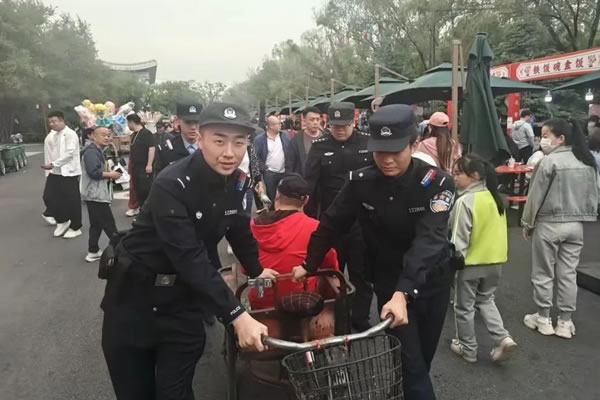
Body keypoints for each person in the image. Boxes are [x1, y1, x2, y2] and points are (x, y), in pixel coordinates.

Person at [100, 102, 279, 400]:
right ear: (201, 138)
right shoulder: (172, 183)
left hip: (182, 304)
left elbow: (239, 231)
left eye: (239, 142)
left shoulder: (239, 183)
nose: (229, 152)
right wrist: (237, 315)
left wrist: (257, 270)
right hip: (133, 302)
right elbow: (188, 256)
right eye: (219, 141)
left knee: (176, 392)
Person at [293, 104, 455, 400]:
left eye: (396, 151)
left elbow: (430, 240)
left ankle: (400, 392)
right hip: (389, 279)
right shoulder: (361, 182)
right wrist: (309, 263)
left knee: (421, 359)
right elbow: (331, 223)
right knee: (411, 362)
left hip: (432, 280)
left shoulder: (437, 183)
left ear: (413, 145)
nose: (387, 160)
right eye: (380, 152)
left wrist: (404, 292)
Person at [522, 119, 598, 339]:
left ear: (561, 138)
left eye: (546, 135)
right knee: (568, 274)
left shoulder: (548, 162)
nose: (542, 140)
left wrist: (527, 223)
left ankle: (543, 318)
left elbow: (535, 196)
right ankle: (565, 321)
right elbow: (594, 194)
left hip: (549, 224)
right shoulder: (586, 161)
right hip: (576, 225)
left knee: (543, 272)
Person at [303, 102, 374, 331]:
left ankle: (360, 318)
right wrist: (309, 221)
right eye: (335, 126)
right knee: (332, 274)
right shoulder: (320, 147)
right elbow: (311, 185)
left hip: (362, 222)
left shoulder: (367, 143)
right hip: (332, 221)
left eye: (344, 125)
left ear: (354, 122)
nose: (339, 130)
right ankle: (336, 318)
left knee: (361, 273)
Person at [449, 153, 517, 364]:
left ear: (475, 175)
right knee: (486, 299)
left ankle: (467, 348)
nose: (454, 177)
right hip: (495, 261)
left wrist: (452, 264)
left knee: (464, 307)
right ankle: (502, 338)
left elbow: (458, 239)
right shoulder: (495, 199)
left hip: (470, 264)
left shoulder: (465, 201)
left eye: (458, 173)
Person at [248, 174, 339, 310]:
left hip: (261, 300)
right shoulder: (314, 228)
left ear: (277, 195)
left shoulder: (253, 226)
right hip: (301, 301)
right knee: (328, 277)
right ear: (306, 200)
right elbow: (330, 265)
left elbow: (246, 267)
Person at [80, 127, 122, 262]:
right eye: (103, 135)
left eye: (108, 135)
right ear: (93, 136)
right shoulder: (91, 152)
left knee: (96, 224)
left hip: (94, 193)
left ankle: (93, 250)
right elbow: (93, 172)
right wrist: (111, 174)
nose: (107, 137)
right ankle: (121, 251)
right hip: (95, 194)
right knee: (109, 225)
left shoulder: (97, 151)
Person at [41, 111, 83, 239]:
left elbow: (69, 154)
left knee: (72, 200)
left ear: (62, 120)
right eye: (50, 122)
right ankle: (62, 220)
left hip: (69, 172)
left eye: (54, 121)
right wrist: (50, 167)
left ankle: (76, 227)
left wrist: (53, 164)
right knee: (49, 197)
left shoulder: (71, 134)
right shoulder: (53, 135)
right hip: (55, 172)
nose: (52, 124)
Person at [154, 101, 203, 175]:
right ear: (177, 121)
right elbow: (159, 178)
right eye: (188, 122)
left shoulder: (208, 149)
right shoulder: (166, 150)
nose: (193, 127)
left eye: (196, 122)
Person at [253, 115, 292, 203]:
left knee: (284, 196)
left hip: (284, 171)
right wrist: (265, 169)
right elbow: (255, 157)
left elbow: (290, 150)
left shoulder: (284, 136)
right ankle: (273, 210)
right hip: (270, 173)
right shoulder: (260, 140)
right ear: (271, 126)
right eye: (278, 124)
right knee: (272, 197)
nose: (280, 125)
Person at [126, 114, 155, 208]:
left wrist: (149, 164)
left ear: (131, 122)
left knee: (145, 190)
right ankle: (141, 209)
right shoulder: (134, 134)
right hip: (135, 167)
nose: (127, 125)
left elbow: (151, 148)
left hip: (144, 167)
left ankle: (149, 211)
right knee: (137, 190)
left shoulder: (146, 133)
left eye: (128, 123)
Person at [287, 106, 324, 175]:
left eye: (318, 119)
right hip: (304, 178)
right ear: (304, 120)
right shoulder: (296, 141)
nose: (315, 122)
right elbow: (290, 164)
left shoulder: (327, 137)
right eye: (312, 120)